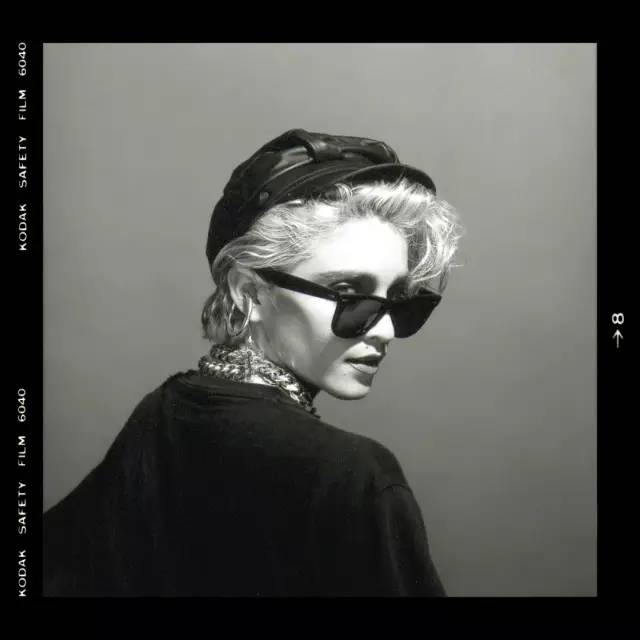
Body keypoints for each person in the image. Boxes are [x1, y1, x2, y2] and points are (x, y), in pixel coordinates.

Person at [43, 128, 464, 597]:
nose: (384, 330)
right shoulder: (354, 475)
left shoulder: (163, 410)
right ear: (250, 293)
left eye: (400, 301)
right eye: (348, 294)